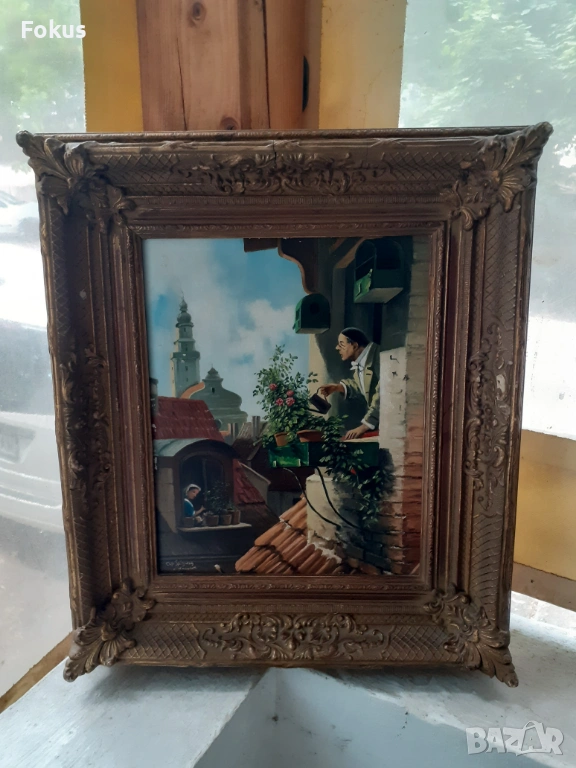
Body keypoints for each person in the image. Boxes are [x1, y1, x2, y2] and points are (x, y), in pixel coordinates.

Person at [319, 327, 380, 440]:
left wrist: (364, 426)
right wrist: (338, 387)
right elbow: (365, 386)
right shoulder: (362, 361)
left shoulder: (378, 357)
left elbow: (383, 393)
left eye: (341, 344)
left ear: (355, 346)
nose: (337, 348)